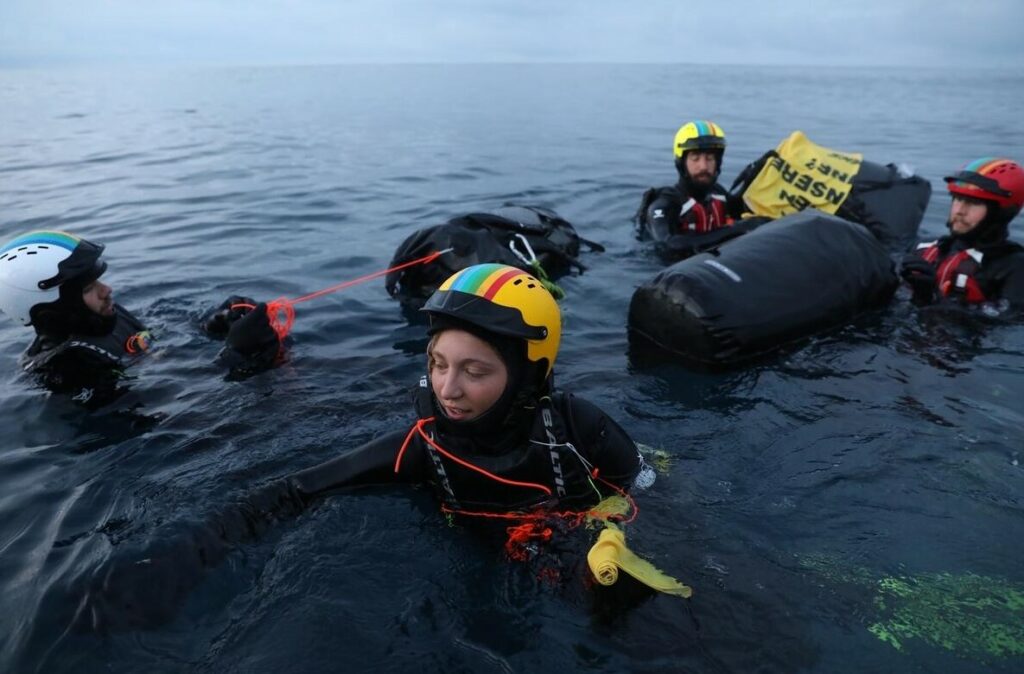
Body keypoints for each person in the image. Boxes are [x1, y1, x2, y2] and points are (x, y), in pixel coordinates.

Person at [0, 230, 281, 408]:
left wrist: (212, 327)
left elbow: (156, 348)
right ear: (53, 311)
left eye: (98, 281)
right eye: (88, 289)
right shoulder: (67, 367)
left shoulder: (101, 316)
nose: (107, 291)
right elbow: (168, 403)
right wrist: (236, 355)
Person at [900, 158, 1024, 311]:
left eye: (974, 203)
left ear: (1000, 213)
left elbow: (1004, 325)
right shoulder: (924, 248)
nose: (960, 211)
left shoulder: (1014, 268)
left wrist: (931, 297)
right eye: (958, 199)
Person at [635, 120, 740, 258]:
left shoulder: (719, 194)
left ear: (718, 162)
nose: (703, 166)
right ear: (682, 163)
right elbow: (667, 244)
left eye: (709, 158)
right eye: (695, 158)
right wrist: (736, 230)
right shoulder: (664, 203)